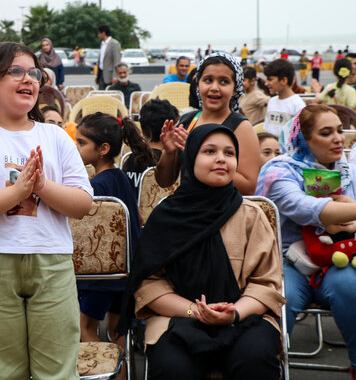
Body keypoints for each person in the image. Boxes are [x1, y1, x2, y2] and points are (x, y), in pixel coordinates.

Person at [0, 41, 93, 379]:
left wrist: (40, 187)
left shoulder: (54, 136)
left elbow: (83, 203)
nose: (29, 79)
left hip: (51, 262)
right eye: (16, 71)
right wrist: (17, 193)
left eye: (34, 73)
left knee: (56, 370)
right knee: (2, 370)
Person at [118, 123, 285, 380]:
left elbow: (267, 285)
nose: (221, 159)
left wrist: (235, 313)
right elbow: (149, 285)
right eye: (209, 151)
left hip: (245, 318)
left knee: (254, 359)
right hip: (178, 319)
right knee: (173, 368)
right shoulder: (166, 217)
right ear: (191, 158)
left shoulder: (252, 216)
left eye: (229, 153)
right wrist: (194, 311)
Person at [256, 105, 356, 378]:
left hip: (335, 258)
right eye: (326, 133)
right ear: (304, 140)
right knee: (276, 299)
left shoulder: (345, 170)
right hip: (287, 260)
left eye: (339, 130)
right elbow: (304, 208)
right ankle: (269, 369)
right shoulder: (278, 171)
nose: (338, 138)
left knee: (350, 285)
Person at [74, 112, 142, 380]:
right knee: (117, 334)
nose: (77, 148)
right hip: (125, 273)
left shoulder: (95, 186)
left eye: (81, 143)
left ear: (102, 149)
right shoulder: (121, 177)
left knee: (87, 330)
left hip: (98, 278)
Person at [155, 52, 260, 196]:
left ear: (235, 88)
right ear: (197, 84)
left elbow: (248, 187)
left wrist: (196, 154)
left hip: (222, 211)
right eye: (208, 80)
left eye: (224, 81)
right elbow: (164, 181)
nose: (214, 87)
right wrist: (169, 152)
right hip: (186, 206)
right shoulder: (186, 122)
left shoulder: (241, 127)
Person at [263, 59, 306, 136]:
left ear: (284, 80)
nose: (266, 83)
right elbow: (267, 130)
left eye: (270, 79)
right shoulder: (272, 101)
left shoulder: (298, 105)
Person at [96, 24, 122, 90]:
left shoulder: (114, 44)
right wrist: (98, 76)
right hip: (101, 75)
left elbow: (116, 61)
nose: (98, 36)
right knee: (101, 96)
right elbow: (101, 61)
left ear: (103, 33)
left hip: (110, 76)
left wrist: (115, 77)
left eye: (99, 33)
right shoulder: (102, 44)